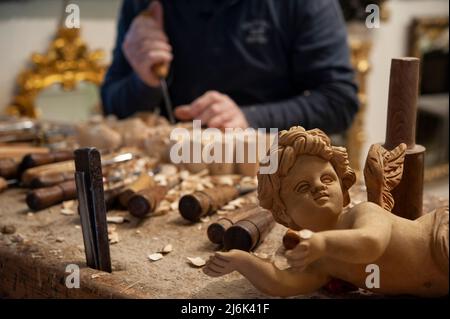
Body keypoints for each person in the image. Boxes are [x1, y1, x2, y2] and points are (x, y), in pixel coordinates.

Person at [203, 126, 449, 297]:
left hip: (440, 238)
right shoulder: (322, 264)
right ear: (284, 213)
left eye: (327, 178)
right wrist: (242, 261)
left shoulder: (363, 213)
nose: (319, 186)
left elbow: (371, 243)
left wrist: (321, 242)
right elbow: (282, 283)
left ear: (343, 190)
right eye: (302, 187)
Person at [101, 0, 359, 133]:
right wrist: (143, 82)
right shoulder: (144, 4)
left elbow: (339, 102)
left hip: (274, 170)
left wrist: (249, 118)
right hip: (174, 166)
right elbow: (111, 104)